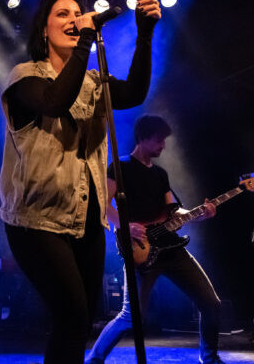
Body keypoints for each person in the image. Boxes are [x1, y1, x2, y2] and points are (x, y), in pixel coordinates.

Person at [0, 0, 161, 364]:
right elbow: (55, 102)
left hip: (86, 218)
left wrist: (145, 31)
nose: (73, 19)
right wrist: (87, 35)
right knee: (71, 314)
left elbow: (135, 93)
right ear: (44, 30)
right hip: (35, 220)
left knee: (82, 317)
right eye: (63, 14)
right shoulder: (24, 78)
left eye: (78, 13)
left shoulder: (93, 81)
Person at [85, 115, 223, 364]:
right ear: (143, 138)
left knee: (211, 304)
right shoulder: (120, 166)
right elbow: (101, 203)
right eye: (159, 140)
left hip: (173, 249)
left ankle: (210, 358)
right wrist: (124, 227)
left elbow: (174, 211)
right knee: (130, 317)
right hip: (141, 250)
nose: (163, 146)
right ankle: (93, 360)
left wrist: (198, 214)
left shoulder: (160, 174)